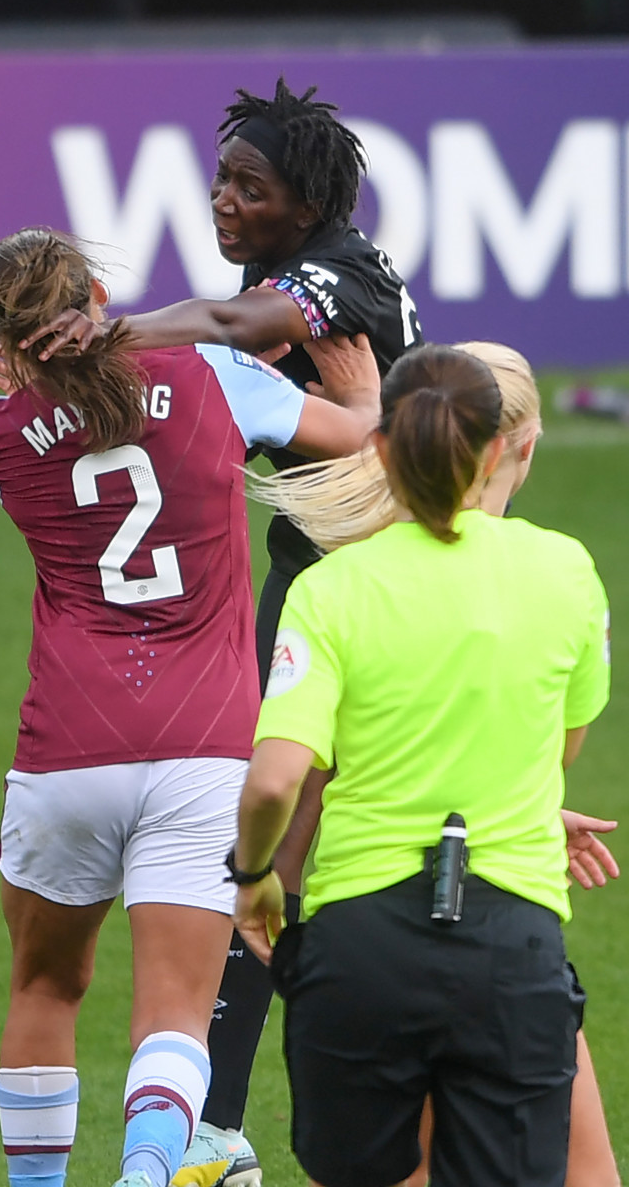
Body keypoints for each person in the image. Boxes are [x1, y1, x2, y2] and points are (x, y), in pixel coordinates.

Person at [0, 79, 423, 1185]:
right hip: (267, 634)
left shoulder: (0, 430)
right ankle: (214, 1124)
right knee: (277, 872)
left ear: (301, 199)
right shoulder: (217, 370)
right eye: (217, 179)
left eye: (245, 186)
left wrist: (92, 347)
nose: (221, 201)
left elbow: (233, 336)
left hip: (353, 587)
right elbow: (284, 400)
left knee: (291, 868)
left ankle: (260, 1119)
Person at [230, 342, 611, 1187]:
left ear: (381, 445)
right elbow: (555, 750)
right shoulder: (565, 572)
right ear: (508, 446)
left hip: (359, 946)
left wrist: (253, 876)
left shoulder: (331, 589)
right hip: (511, 937)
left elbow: (274, 780)